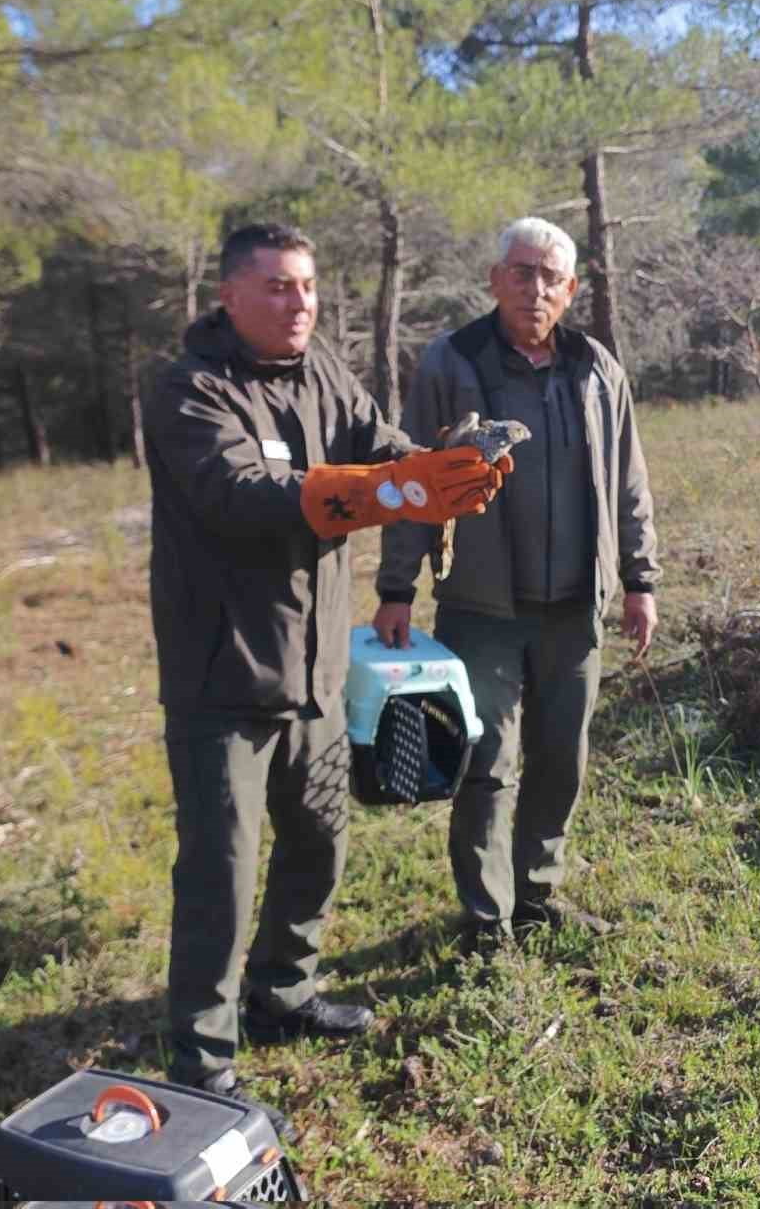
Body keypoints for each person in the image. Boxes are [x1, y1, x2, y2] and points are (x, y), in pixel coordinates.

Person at [144, 221, 509, 1103]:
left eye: (305, 285)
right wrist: (385, 491)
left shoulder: (322, 374)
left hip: (315, 668)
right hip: (223, 674)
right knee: (220, 872)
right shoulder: (189, 390)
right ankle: (203, 1061)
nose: (297, 301)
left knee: (316, 842)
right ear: (229, 295)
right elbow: (239, 498)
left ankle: (283, 992)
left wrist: (431, 465)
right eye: (276, 286)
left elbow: (378, 443)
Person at [373, 216, 659, 950]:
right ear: (496, 279)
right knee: (485, 764)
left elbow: (628, 479)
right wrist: (397, 587)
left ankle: (537, 894)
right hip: (481, 605)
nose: (535, 289)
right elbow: (411, 482)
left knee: (560, 758)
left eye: (551, 277)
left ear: (570, 290)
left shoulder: (596, 368)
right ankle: (486, 918)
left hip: (574, 608)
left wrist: (639, 578)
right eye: (522, 272)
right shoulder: (452, 361)